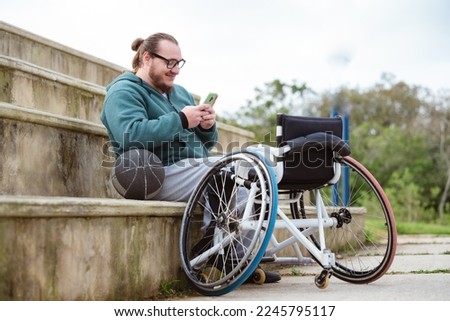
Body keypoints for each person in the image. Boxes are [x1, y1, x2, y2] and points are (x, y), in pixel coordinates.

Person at [100, 32, 280, 283]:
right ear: (147, 58)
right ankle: (217, 247)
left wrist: (207, 126)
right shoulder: (123, 91)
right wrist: (182, 119)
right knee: (230, 168)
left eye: (179, 63)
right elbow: (130, 135)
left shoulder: (180, 93)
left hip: (191, 167)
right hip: (155, 171)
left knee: (250, 169)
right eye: (169, 63)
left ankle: (240, 261)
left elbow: (205, 145)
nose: (175, 70)